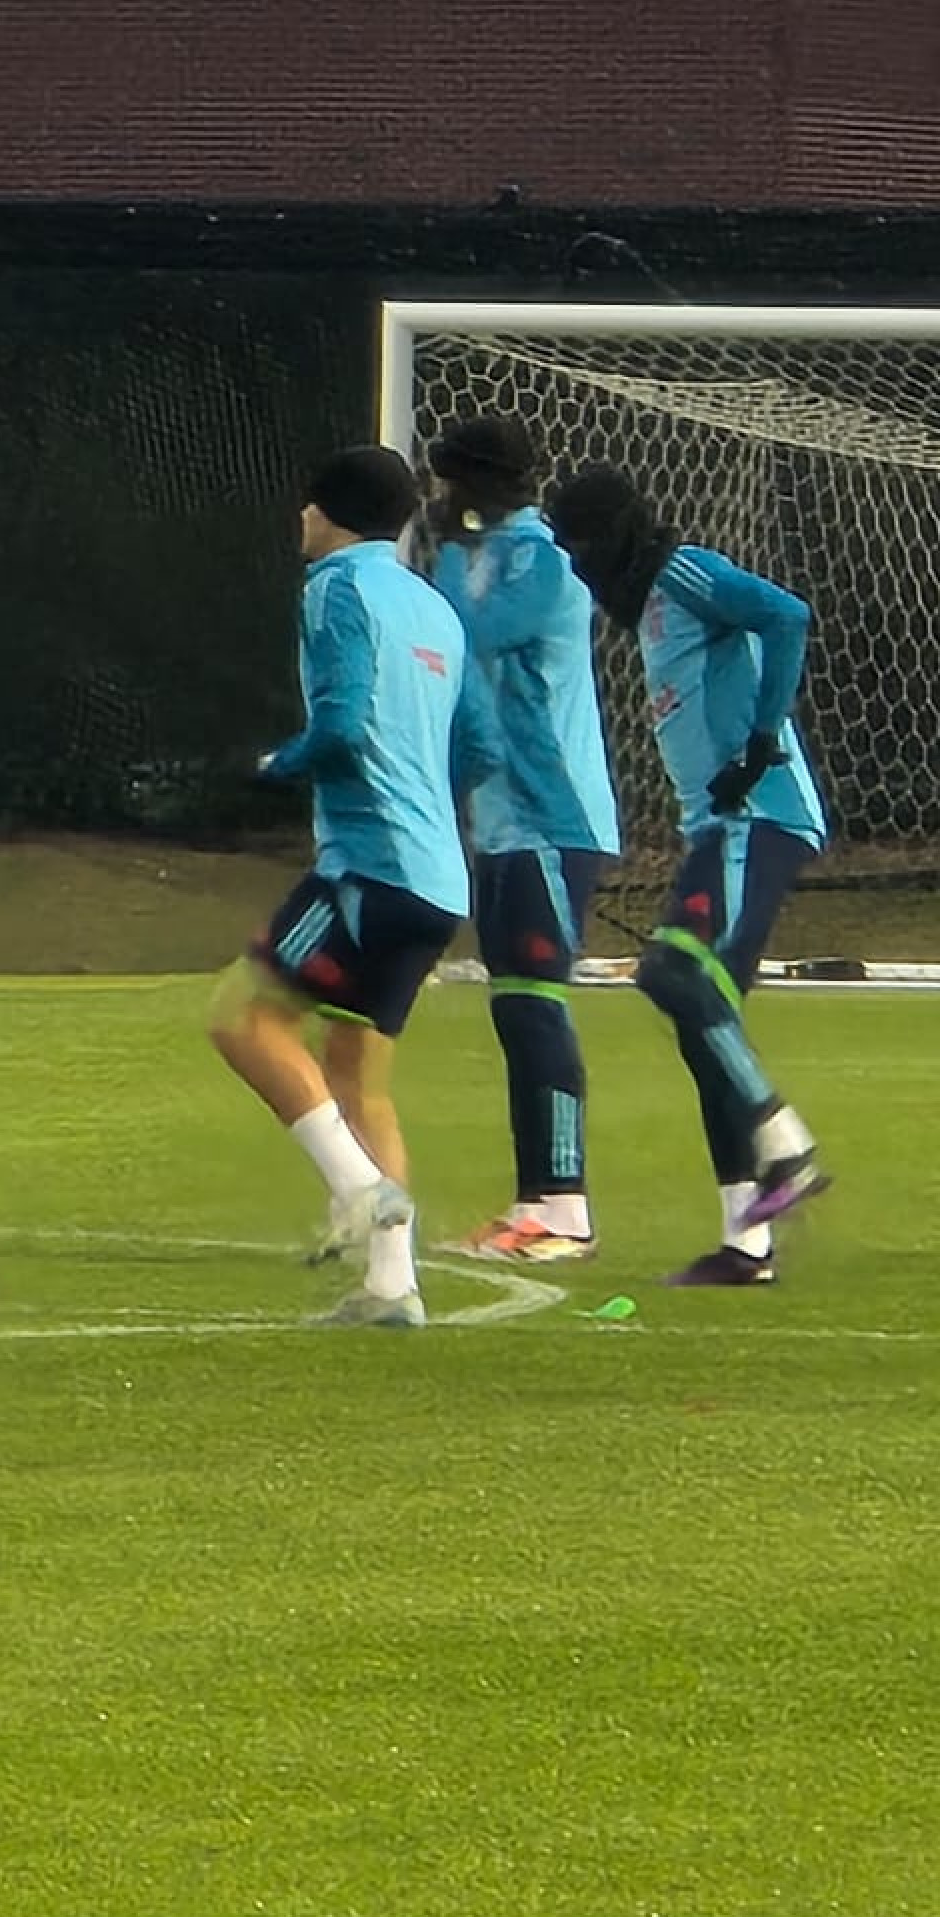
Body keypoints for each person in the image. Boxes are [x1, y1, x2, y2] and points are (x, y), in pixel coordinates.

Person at [209, 445, 484, 1330]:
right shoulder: (434, 607)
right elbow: (478, 743)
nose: (300, 518)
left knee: (243, 1017)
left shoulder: (336, 587)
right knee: (358, 1074)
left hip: (370, 867)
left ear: (329, 513)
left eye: (308, 504)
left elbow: (342, 723)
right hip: (438, 879)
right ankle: (393, 1287)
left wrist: (274, 764)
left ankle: (360, 1189)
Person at [547, 464, 829, 1284]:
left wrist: (764, 740)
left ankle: (785, 1141)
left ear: (610, 538)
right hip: (719, 828)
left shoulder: (685, 573)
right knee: (708, 1021)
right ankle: (747, 1245)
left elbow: (787, 614)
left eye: (580, 545)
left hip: (759, 817)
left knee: (674, 975)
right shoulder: (647, 612)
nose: (578, 564)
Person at [424, 413, 620, 1264]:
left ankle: (566, 1207)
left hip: (552, 817)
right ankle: (533, 1201)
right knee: (514, 1008)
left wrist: (440, 552)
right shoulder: (486, 553)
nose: (441, 495)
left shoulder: (542, 559)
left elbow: (465, 634)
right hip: (504, 821)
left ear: (479, 482)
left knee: (538, 1005)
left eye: (450, 480)